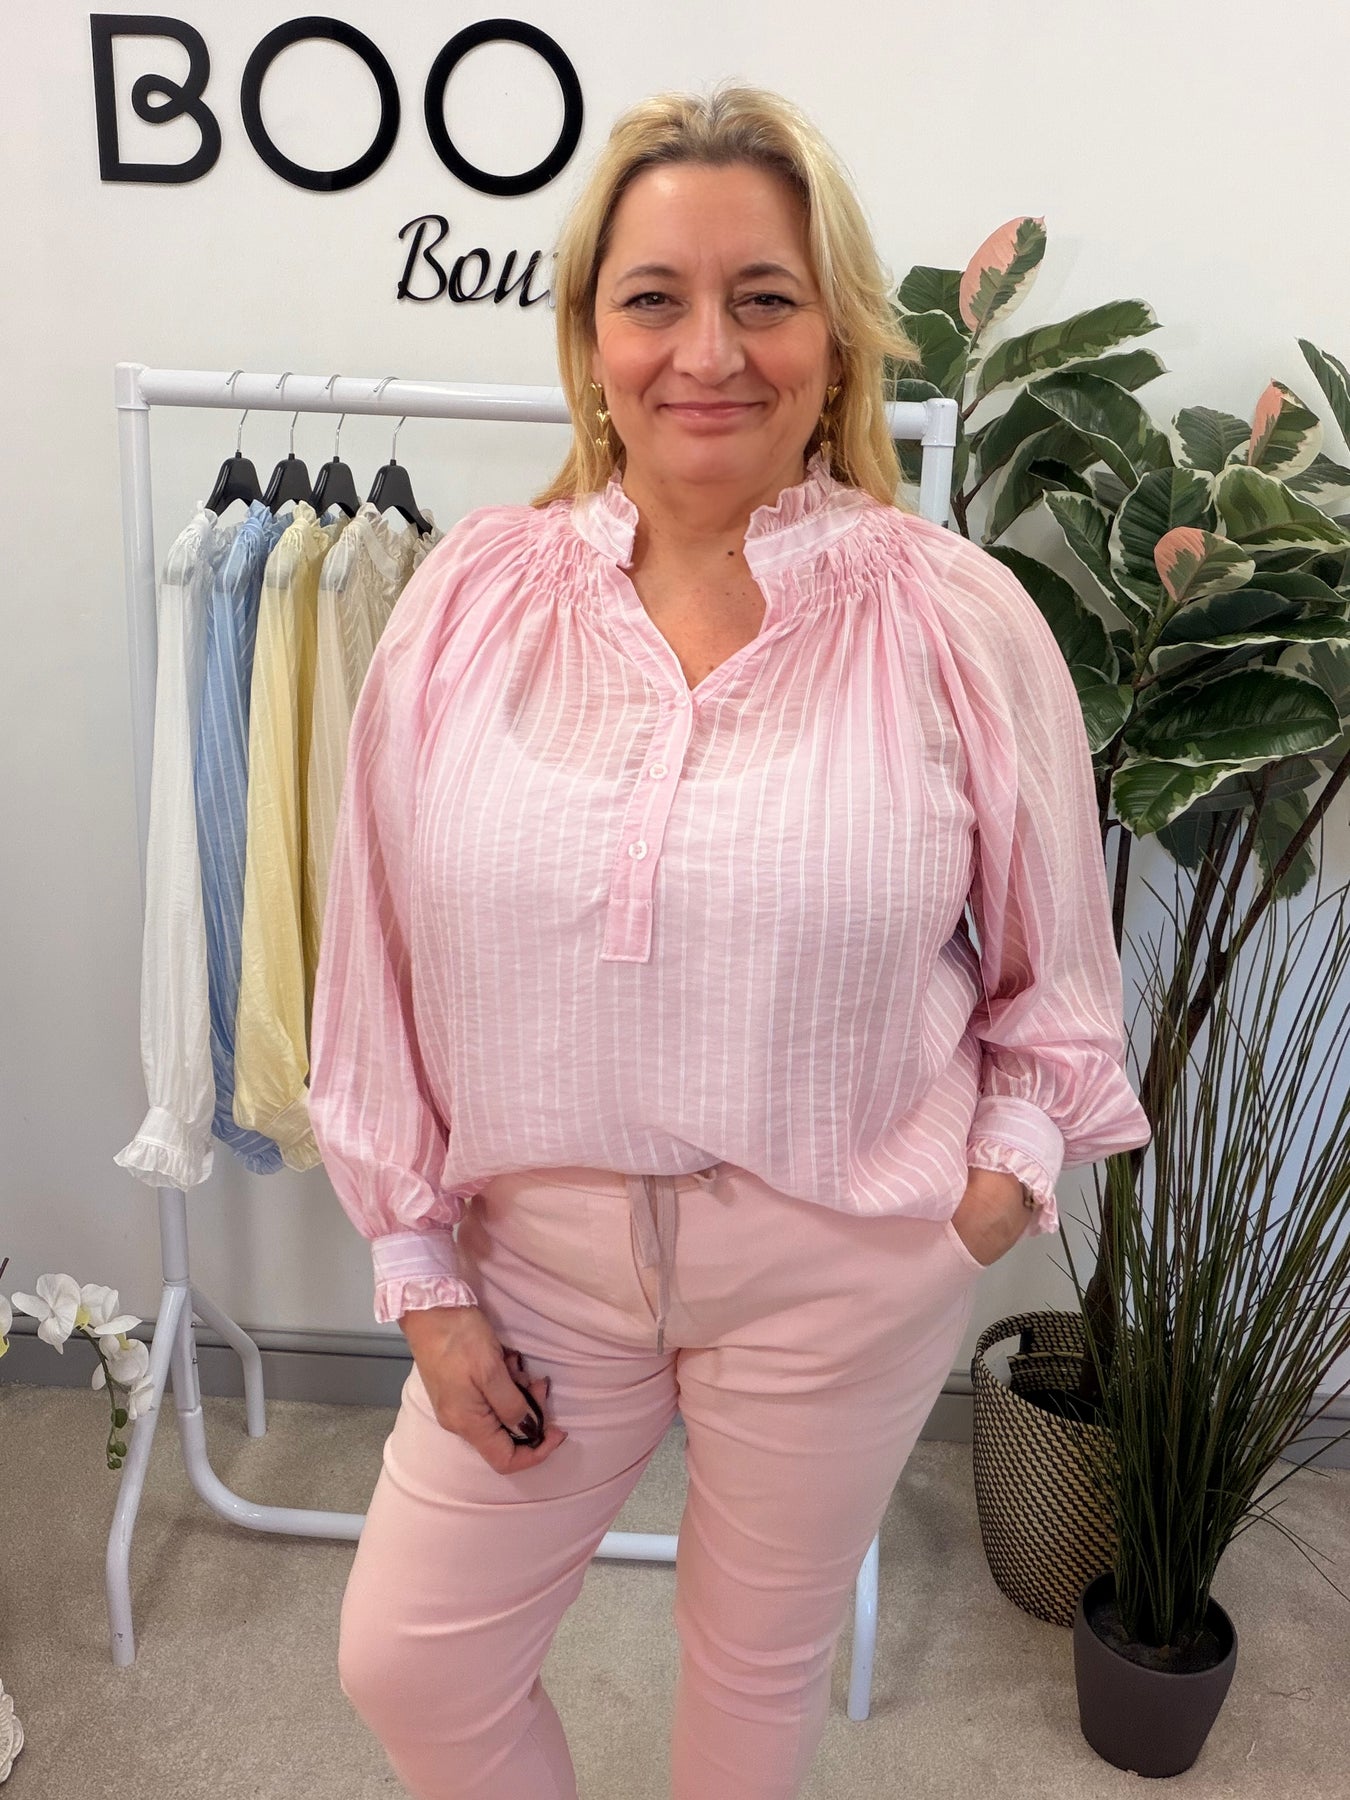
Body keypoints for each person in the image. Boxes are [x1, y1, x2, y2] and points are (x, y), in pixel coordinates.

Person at [308, 81, 1151, 1800]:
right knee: (412, 1664)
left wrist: (983, 1199)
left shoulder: (951, 616)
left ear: (834, 341)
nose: (708, 351)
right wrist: (420, 1278)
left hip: (843, 1261)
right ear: (588, 338)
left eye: (763, 298)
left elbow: (1054, 977)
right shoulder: (469, 603)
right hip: (534, 1266)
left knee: (750, 1689)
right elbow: (370, 962)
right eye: (654, 298)